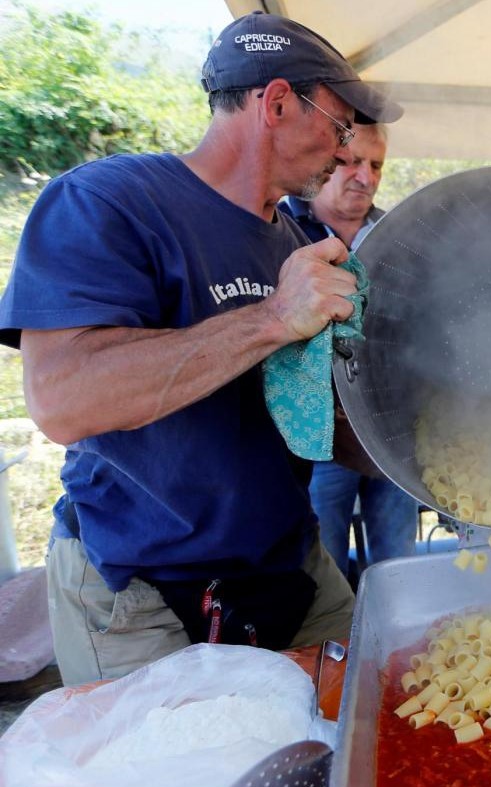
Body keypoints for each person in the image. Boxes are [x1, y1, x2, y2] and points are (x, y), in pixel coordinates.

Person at [0, 11, 403, 684]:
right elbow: (64, 400)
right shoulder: (109, 202)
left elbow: (320, 419)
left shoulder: (300, 245)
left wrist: (434, 452)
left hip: (287, 566)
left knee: (360, 726)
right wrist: (273, 316)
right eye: (338, 128)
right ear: (275, 103)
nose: (343, 154)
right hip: (139, 586)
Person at [278, 124, 419, 578]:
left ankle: (397, 643)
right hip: (318, 440)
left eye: (375, 165)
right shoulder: (280, 231)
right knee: (324, 564)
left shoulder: (401, 235)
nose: (365, 176)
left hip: (394, 429)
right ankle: (339, 645)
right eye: (350, 161)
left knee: (399, 562)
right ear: (323, 162)